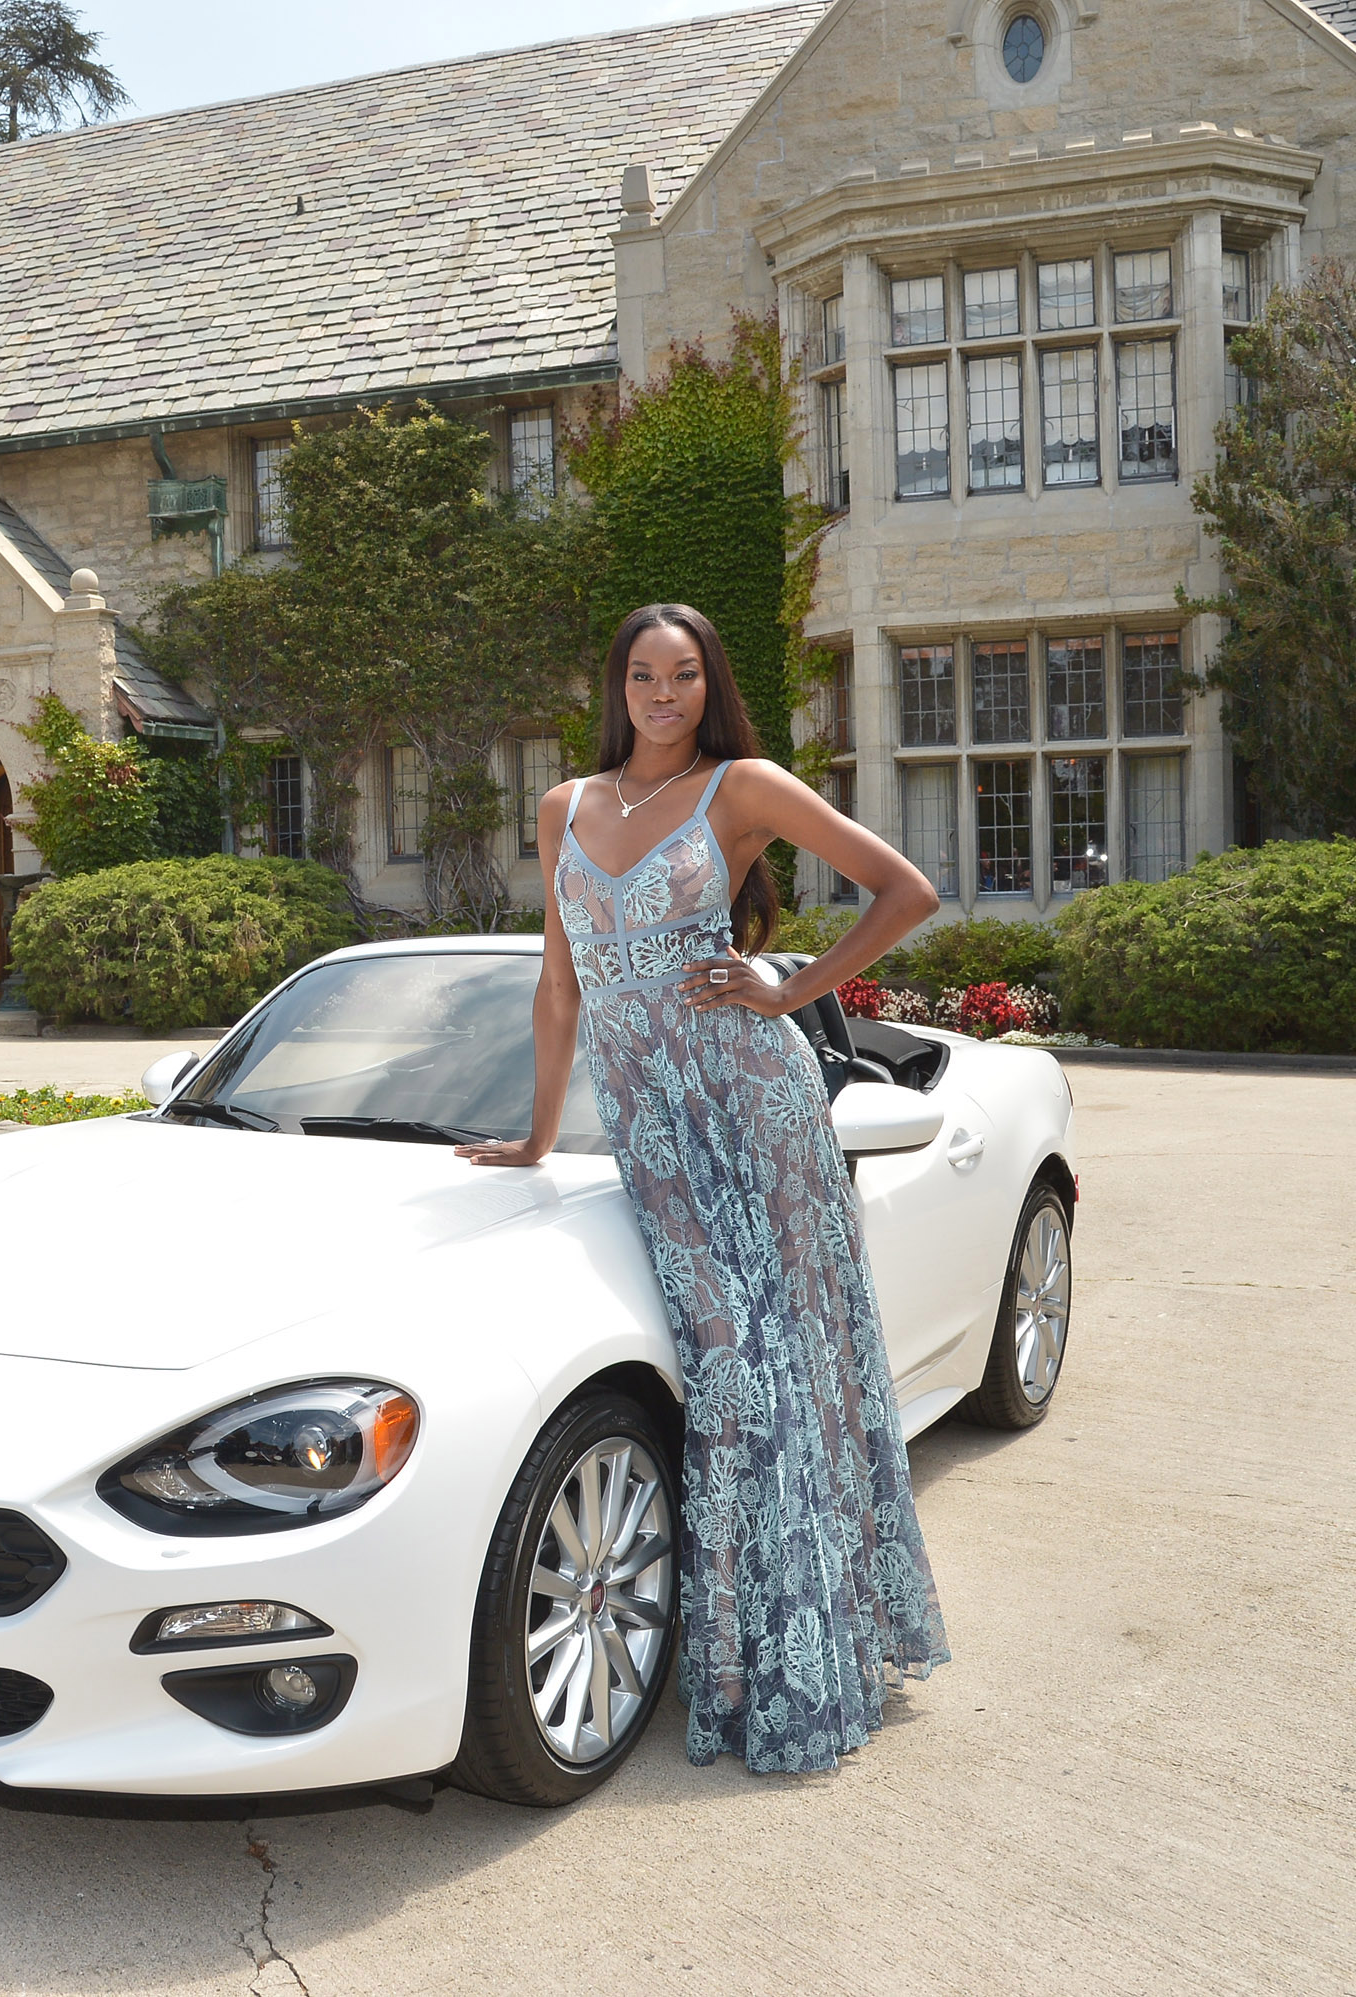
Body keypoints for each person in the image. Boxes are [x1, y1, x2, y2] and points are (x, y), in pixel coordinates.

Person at [457, 602, 950, 1775]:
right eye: (642, 675)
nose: (663, 695)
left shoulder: (743, 784)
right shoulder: (564, 808)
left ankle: (803, 1662)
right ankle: (734, 1659)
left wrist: (789, 991)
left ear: (707, 685)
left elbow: (906, 890)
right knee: (726, 1369)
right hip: (655, 1134)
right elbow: (559, 986)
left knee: (785, 1374)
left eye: (684, 676)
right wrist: (534, 1137)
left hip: (757, 1108)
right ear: (617, 686)